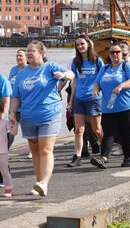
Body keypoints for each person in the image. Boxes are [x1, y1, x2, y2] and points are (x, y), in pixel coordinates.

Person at [9, 40, 75, 197]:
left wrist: (64, 75)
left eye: (31, 50)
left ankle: (44, 182)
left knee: (45, 149)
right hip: (28, 117)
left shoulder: (49, 67)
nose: (28, 53)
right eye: (27, 51)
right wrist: (12, 113)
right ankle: (39, 183)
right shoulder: (21, 73)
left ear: (41, 53)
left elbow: (71, 74)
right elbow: (16, 96)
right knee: (35, 151)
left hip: (48, 115)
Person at [90, 43, 130, 169]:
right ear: (109, 55)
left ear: (122, 54)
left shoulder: (126, 66)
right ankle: (104, 158)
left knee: (126, 133)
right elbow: (97, 82)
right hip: (109, 107)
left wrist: (121, 86)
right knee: (108, 133)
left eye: (117, 52)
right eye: (112, 52)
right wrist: (95, 91)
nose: (115, 54)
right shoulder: (105, 68)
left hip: (127, 106)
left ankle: (127, 158)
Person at [67, 35, 104, 167]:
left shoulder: (97, 61)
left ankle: (105, 152)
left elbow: (101, 79)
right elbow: (74, 81)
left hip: (94, 99)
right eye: (77, 45)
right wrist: (71, 100)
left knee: (96, 129)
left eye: (82, 44)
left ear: (88, 44)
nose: (80, 47)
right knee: (79, 130)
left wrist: (99, 91)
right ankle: (77, 157)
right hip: (79, 99)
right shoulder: (75, 62)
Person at [8, 49, 28, 158]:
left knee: (28, 130)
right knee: (10, 130)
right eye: (17, 56)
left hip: (25, 106)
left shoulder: (29, 70)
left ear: (26, 57)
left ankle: (32, 151)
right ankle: (5, 150)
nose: (18, 58)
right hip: (13, 107)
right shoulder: (13, 70)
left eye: (21, 56)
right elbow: (9, 86)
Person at [0, 101, 17, 197]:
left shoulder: (5, 123)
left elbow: (14, 132)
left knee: (4, 171)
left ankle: (9, 188)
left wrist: (14, 123)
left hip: (2, 152)